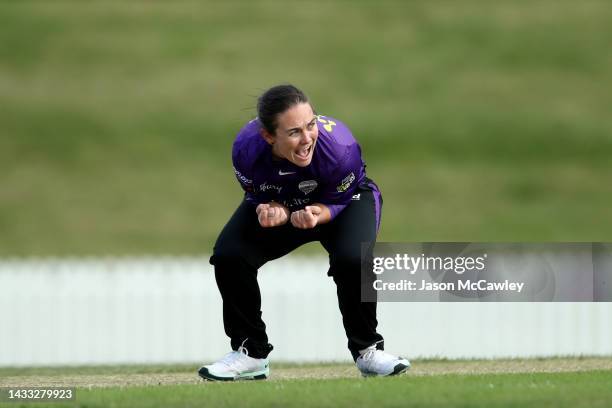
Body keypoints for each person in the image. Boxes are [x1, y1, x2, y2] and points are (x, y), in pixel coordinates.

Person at [198, 84, 409, 381]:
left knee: (352, 259)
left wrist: (317, 213)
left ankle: (368, 352)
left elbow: (338, 201)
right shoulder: (245, 150)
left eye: (311, 125)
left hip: (345, 200)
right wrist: (271, 209)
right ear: (269, 136)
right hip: (288, 200)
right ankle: (251, 354)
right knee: (229, 256)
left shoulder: (339, 146)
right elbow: (258, 194)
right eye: (294, 132)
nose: (308, 138)